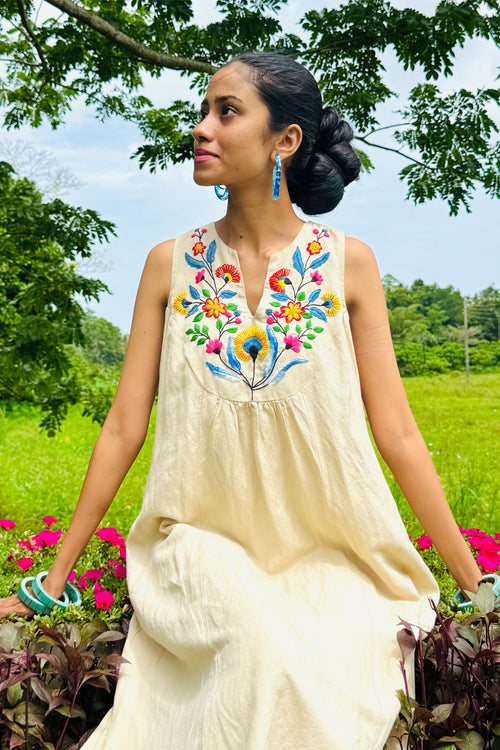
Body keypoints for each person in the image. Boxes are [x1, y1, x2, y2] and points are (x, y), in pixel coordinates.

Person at [0, 51, 486, 750]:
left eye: (226, 111)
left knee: (332, 661)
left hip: (335, 558)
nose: (201, 127)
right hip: (199, 547)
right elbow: (123, 428)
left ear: (285, 140)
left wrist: (477, 586)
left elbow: (399, 432)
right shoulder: (168, 265)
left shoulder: (348, 265)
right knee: (258, 649)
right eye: (204, 110)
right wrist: (53, 580)